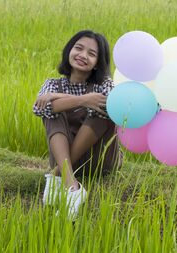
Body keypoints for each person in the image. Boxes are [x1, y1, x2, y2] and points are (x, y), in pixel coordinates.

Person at [32, 30, 122, 220]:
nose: (82, 56)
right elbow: (39, 108)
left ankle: (58, 174)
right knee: (50, 111)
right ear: (69, 51)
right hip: (64, 158)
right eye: (78, 48)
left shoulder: (104, 83)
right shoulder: (53, 84)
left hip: (100, 160)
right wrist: (83, 100)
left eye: (91, 53)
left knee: (106, 108)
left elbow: (113, 106)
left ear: (98, 62)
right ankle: (72, 187)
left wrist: (74, 99)